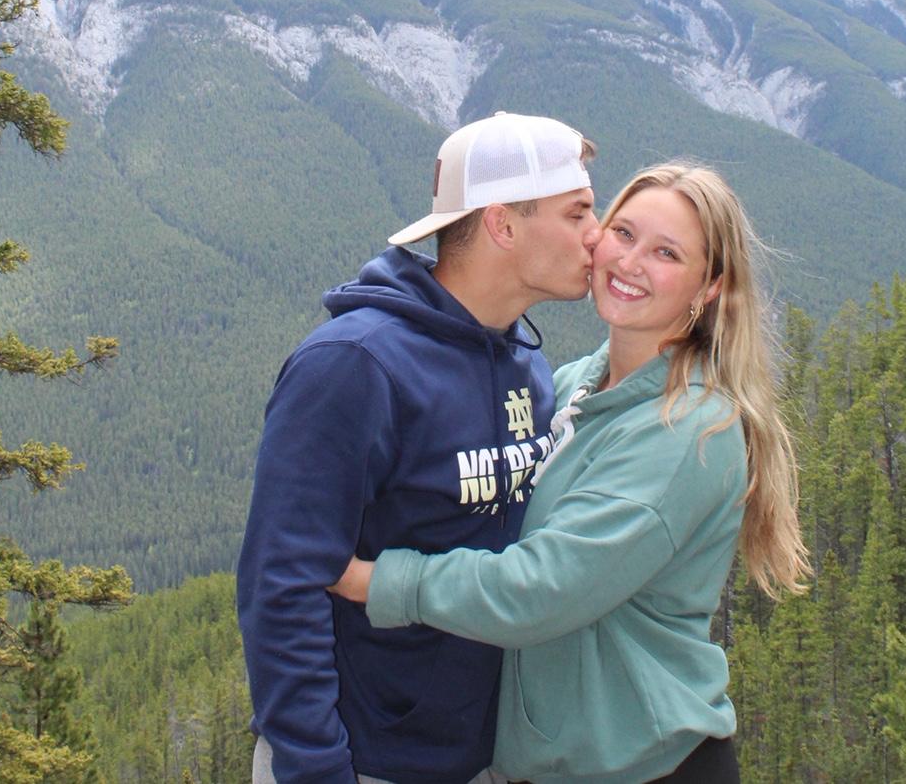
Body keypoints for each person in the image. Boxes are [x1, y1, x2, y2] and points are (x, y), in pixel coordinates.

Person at [332, 163, 809, 784]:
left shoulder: (688, 432)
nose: (630, 262)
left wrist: (374, 580)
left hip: (641, 766)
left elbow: (543, 589)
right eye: (624, 233)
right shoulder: (577, 384)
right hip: (566, 761)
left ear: (709, 287)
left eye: (666, 253)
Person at [237, 112, 601, 784]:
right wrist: (318, 768)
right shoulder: (354, 366)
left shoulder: (526, 366)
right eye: (577, 213)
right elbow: (282, 584)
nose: (597, 234)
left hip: (487, 761)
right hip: (364, 761)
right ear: (503, 224)